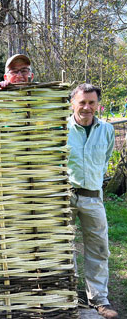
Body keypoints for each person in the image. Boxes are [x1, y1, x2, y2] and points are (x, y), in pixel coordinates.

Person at [67, 83, 118, 319]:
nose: (86, 107)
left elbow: (105, 157)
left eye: (91, 102)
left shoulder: (107, 131)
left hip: (93, 197)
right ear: (72, 103)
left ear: (98, 104)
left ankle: (99, 299)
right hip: (64, 197)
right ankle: (67, 294)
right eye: (82, 102)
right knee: (63, 247)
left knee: (99, 248)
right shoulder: (61, 129)